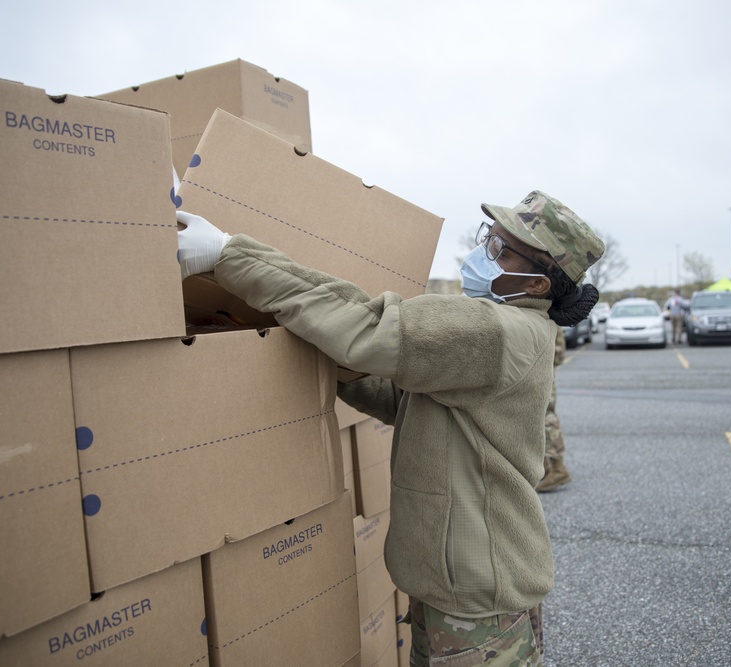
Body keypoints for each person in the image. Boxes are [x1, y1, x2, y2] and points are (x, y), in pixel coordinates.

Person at [177, 190, 604, 666]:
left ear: (539, 284)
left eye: (501, 251)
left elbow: (366, 329)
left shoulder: (496, 329)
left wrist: (229, 254)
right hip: (464, 585)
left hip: (477, 600)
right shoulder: (508, 332)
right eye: (489, 239)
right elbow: (399, 397)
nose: (483, 254)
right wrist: (319, 353)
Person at [537, 328, 571, 492]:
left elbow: (557, 355)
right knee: (536, 418)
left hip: (541, 371)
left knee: (546, 416)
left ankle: (558, 469)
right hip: (537, 370)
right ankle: (546, 466)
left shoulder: (548, 315)